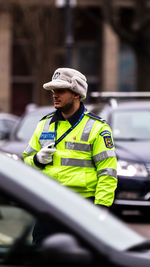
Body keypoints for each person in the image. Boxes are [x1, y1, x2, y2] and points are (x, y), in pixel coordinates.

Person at [23, 68, 117, 244]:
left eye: (60, 91)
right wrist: (36, 160)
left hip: (82, 207)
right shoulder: (44, 125)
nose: (55, 95)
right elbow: (25, 162)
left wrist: (101, 210)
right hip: (48, 206)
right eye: (53, 91)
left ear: (76, 94)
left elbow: (107, 173)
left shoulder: (98, 128)